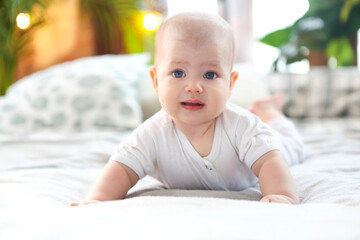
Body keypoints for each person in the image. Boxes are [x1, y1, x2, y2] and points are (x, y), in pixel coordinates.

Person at [70, 12, 303, 206]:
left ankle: (269, 112)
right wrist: (97, 200)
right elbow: (122, 169)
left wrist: (281, 194)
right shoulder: (151, 133)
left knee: (291, 147)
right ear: (156, 81)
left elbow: (269, 161)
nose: (194, 87)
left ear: (230, 84)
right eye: (178, 73)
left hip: (272, 146)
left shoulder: (242, 126)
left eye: (210, 75)